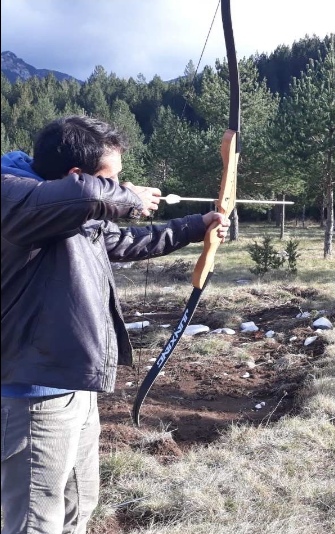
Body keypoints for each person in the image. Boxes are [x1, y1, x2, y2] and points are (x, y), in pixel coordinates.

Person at [0, 115, 230, 534]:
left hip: (71, 378)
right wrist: (129, 197)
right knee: (36, 520)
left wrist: (195, 227)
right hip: (34, 391)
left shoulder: (63, 207)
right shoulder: (15, 196)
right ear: (76, 173)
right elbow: (87, 194)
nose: (120, 184)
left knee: (79, 503)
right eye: (113, 178)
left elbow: (117, 240)